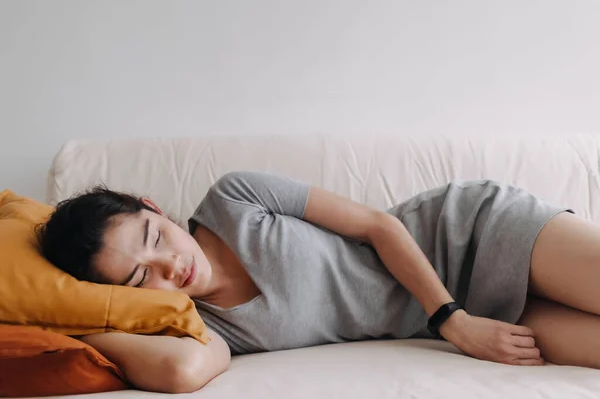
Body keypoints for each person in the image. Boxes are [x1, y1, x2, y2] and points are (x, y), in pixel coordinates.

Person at [37, 171, 600, 393]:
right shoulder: (200, 326)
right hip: (482, 319)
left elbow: (379, 226)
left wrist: (453, 322)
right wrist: (79, 321)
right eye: (141, 278)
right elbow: (182, 375)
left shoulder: (234, 198)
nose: (171, 267)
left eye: (155, 237)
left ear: (154, 207)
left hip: (467, 234)